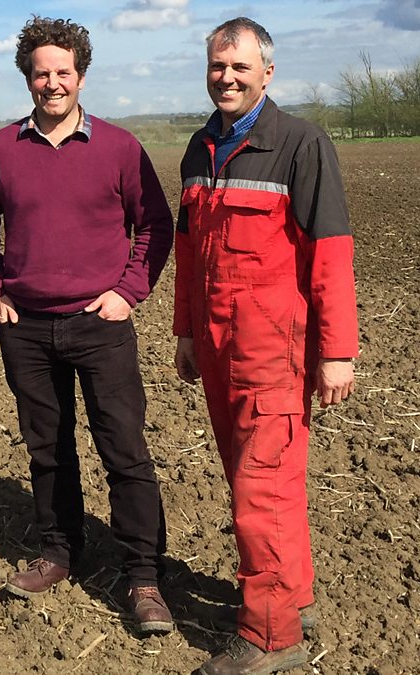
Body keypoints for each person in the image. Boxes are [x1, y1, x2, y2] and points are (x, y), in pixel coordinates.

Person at [0, 15, 175, 636]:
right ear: (27, 79)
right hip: (27, 328)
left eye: (63, 72)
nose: (52, 83)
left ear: (81, 75)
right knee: (47, 449)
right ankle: (59, 551)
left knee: (124, 450)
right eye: (41, 74)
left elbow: (155, 226)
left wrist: (127, 293)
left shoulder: (119, 147)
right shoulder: (0, 149)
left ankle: (143, 575)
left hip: (99, 326)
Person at [171, 17, 358, 675]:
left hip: (273, 354)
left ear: (267, 73)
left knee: (262, 493)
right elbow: (188, 251)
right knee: (259, 485)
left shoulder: (301, 145)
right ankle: (291, 597)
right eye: (217, 67)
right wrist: (186, 332)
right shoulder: (199, 148)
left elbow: (330, 253)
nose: (226, 78)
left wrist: (337, 351)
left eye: (239, 67)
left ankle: (271, 636)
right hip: (217, 349)